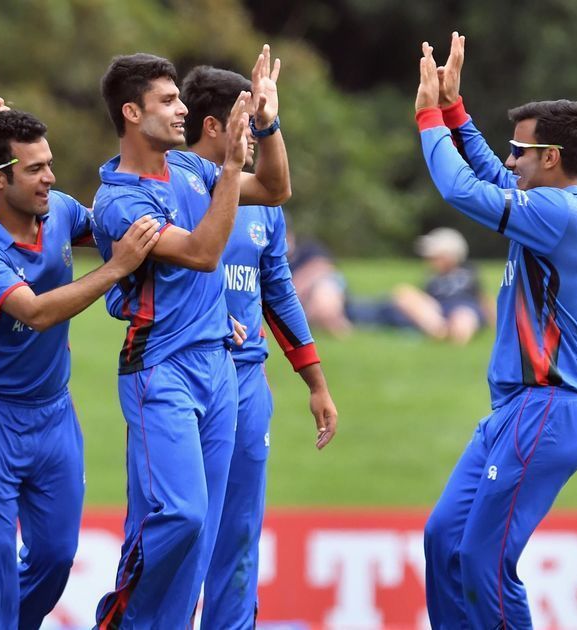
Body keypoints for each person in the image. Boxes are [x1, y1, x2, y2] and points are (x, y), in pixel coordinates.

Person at [90, 46, 290, 627]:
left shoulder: (188, 169)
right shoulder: (120, 199)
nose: (181, 109)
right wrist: (230, 166)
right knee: (181, 515)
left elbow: (275, 189)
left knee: (203, 534)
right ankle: (121, 619)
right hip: (161, 371)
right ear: (132, 113)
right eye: (168, 99)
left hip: (217, 367)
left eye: (180, 97)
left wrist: (267, 124)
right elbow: (203, 254)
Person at [415, 32, 577, 629]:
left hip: (545, 410)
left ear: (550, 158)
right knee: (444, 539)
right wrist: (454, 110)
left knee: (483, 561)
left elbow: (459, 188)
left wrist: (427, 118)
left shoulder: (556, 213)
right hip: (518, 411)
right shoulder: (554, 207)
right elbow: (491, 177)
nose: (509, 159)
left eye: (519, 151)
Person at [0, 109, 160, 627]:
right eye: (34, 169)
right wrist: (116, 270)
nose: (50, 178)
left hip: (54, 416)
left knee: (55, 557)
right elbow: (36, 313)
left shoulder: (63, 211)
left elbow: (117, 231)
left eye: (50, 164)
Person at [174, 64, 338, 627]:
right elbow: (135, 282)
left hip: (248, 384)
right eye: (252, 121)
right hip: (184, 376)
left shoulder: (263, 198)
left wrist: (315, 381)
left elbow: (278, 291)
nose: (258, 133)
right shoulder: (175, 183)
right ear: (218, 125)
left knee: (239, 534)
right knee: (183, 526)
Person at [348, 227, 489, 344]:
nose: (429, 260)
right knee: (404, 293)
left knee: (464, 315)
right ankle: (440, 331)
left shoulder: (468, 272)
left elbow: (483, 299)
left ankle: (455, 336)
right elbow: (425, 302)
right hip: (436, 310)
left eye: (435, 256)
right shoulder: (432, 277)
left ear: (450, 256)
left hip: (463, 306)